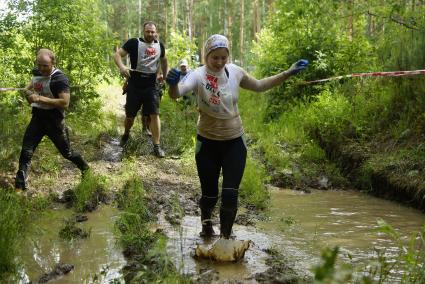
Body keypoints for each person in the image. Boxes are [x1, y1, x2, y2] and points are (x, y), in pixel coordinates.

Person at [166, 34, 308, 239]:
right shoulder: (198, 75)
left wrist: (288, 73)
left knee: (231, 193)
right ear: (206, 56)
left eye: (224, 57)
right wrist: (172, 84)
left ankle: (225, 237)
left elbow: (260, 86)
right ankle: (206, 225)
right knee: (210, 194)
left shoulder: (235, 72)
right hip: (207, 144)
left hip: (234, 142)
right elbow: (176, 93)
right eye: (215, 57)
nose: (220, 61)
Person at [15, 48, 89, 191]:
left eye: (45, 66)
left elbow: (65, 102)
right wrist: (28, 94)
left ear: (53, 63)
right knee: (26, 151)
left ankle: (85, 169)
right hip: (37, 118)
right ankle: (19, 186)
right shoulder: (37, 72)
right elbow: (28, 88)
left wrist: (39, 98)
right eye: (39, 65)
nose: (42, 69)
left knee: (67, 153)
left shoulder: (60, 79)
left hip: (54, 121)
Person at [113, 21, 168, 157]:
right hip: (134, 85)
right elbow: (117, 55)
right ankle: (126, 134)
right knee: (130, 116)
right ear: (144, 31)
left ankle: (157, 146)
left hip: (151, 85)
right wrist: (122, 67)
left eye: (152, 32)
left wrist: (164, 77)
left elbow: (164, 61)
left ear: (156, 32)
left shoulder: (160, 46)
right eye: (148, 31)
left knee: (154, 114)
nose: (150, 34)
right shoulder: (133, 42)